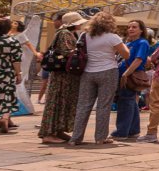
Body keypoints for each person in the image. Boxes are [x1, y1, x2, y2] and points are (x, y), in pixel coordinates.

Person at [71, 12, 129, 145]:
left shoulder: (85, 35)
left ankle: (75, 138)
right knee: (103, 106)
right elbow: (126, 55)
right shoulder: (113, 37)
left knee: (83, 106)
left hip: (87, 72)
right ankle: (100, 137)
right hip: (108, 71)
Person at [38, 12, 83, 144]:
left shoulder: (67, 33)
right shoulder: (64, 34)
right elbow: (67, 51)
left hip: (65, 75)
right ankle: (49, 133)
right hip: (61, 76)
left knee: (63, 102)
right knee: (57, 101)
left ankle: (58, 130)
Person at [113, 19, 150, 139]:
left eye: (134, 27)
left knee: (125, 102)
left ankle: (122, 131)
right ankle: (133, 130)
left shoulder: (142, 43)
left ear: (141, 30)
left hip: (130, 75)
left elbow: (138, 59)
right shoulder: (128, 43)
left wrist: (126, 74)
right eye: (129, 27)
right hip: (123, 74)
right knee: (130, 102)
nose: (130, 29)